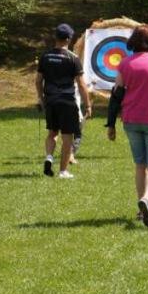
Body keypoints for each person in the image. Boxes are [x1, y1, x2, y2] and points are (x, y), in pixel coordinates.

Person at [107, 24, 148, 227]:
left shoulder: (125, 64)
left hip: (131, 119)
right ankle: (146, 199)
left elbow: (116, 95)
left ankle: (141, 210)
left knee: (140, 164)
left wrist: (111, 124)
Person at [36, 23, 92, 179]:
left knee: (52, 133)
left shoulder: (45, 56)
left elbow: (38, 81)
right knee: (68, 137)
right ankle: (63, 171)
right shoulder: (73, 58)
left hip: (50, 100)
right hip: (67, 101)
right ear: (68, 39)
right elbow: (81, 84)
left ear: (56, 37)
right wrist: (88, 105)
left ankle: (49, 157)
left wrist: (41, 98)